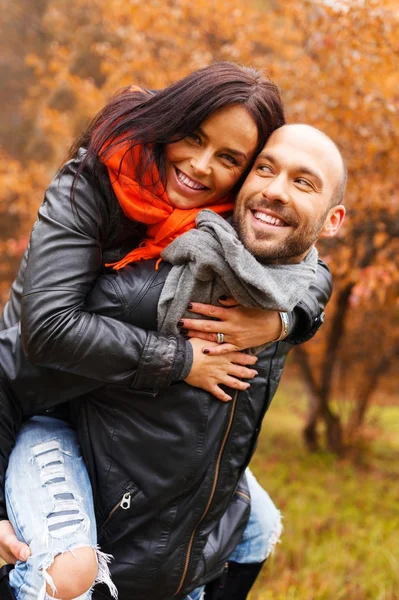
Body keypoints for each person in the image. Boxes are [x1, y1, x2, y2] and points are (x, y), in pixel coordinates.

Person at [0, 123, 345, 600]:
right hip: (68, 432)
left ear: (332, 221)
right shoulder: (156, 288)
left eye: (303, 182)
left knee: (256, 531)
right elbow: (17, 361)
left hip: (184, 505)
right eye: (265, 170)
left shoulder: (284, 285)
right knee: (67, 577)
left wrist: (285, 322)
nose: (275, 191)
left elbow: (316, 279)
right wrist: (180, 358)